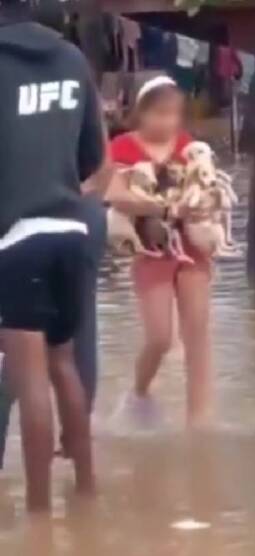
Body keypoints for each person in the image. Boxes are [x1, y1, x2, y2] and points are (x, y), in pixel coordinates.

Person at [0, 0, 103, 512]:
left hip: (16, 237)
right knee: (64, 365)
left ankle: (39, 513)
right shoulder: (72, 60)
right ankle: (85, 492)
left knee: (28, 375)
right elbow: (93, 158)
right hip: (72, 230)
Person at [105, 76, 214, 429]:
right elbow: (115, 194)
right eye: (160, 113)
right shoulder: (122, 147)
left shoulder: (187, 146)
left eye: (174, 114)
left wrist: (198, 207)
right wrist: (161, 210)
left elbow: (205, 187)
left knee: (196, 333)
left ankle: (199, 422)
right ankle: (139, 393)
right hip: (150, 249)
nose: (168, 122)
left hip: (191, 248)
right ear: (140, 112)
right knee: (159, 337)